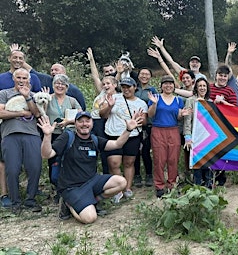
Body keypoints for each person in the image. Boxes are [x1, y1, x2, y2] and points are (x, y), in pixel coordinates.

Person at [39, 111, 142, 224]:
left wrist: (128, 130)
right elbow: (46, 154)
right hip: (72, 187)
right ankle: (68, 204)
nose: (84, 124)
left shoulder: (95, 140)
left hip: (92, 181)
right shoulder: (68, 137)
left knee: (121, 182)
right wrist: (47, 135)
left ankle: (92, 201)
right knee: (90, 218)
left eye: (87, 121)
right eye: (80, 121)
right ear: (75, 124)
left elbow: (117, 144)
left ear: (92, 123)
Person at [0, 68, 43, 213]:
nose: (21, 80)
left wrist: (27, 97)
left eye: (24, 78)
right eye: (18, 77)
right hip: (10, 134)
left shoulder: (35, 95)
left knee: (35, 167)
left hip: (32, 134)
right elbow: (0, 112)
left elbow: (37, 113)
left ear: (29, 80)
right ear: (13, 79)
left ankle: (30, 199)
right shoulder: (4, 93)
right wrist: (22, 113)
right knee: (12, 169)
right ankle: (15, 202)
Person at [100, 77, 148, 202]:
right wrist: (109, 106)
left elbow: (144, 122)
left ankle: (127, 188)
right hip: (113, 134)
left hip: (132, 136)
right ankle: (117, 189)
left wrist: (138, 119)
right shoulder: (113, 97)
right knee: (114, 163)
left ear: (135, 87)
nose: (126, 89)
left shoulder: (141, 103)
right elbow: (103, 115)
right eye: (124, 87)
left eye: (129, 87)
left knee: (129, 162)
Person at [148, 76, 189, 198]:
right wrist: (154, 104)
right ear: (161, 86)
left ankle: (172, 184)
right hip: (158, 130)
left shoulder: (178, 100)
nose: (168, 86)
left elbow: (177, 117)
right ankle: (159, 185)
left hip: (173, 130)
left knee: (173, 159)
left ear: (174, 86)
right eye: (165, 84)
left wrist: (182, 115)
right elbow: (150, 115)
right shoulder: (156, 98)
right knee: (159, 159)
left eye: (171, 84)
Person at [45, 74, 82, 196]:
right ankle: (56, 187)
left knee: (69, 160)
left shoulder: (72, 100)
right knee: (53, 161)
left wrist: (69, 122)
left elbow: (81, 116)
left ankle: (70, 186)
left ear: (67, 87)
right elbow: (40, 113)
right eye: (57, 83)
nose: (60, 86)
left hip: (69, 135)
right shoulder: (48, 99)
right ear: (53, 85)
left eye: (63, 84)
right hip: (53, 135)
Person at [184, 77, 212, 188]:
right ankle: (197, 186)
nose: (202, 88)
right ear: (196, 87)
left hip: (208, 138)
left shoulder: (210, 102)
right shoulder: (190, 101)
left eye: (204, 86)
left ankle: (209, 185)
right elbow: (187, 120)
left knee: (208, 161)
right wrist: (187, 137)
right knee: (197, 162)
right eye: (200, 86)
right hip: (195, 138)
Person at [133, 68, 157, 188]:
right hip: (133, 124)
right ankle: (137, 175)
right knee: (135, 151)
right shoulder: (134, 88)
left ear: (150, 77)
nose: (144, 76)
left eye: (147, 74)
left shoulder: (152, 90)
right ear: (138, 76)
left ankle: (149, 175)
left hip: (147, 125)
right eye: (142, 74)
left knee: (146, 151)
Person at [91, 76, 118, 174]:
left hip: (111, 124)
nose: (105, 86)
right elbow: (96, 111)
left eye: (108, 83)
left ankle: (111, 174)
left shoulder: (119, 97)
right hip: (97, 124)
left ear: (114, 85)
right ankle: (102, 174)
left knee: (110, 151)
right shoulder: (100, 96)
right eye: (104, 84)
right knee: (100, 150)